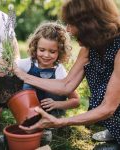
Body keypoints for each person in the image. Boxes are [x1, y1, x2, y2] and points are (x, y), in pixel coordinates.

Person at [12, 0, 120, 146]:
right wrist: (23, 76)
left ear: (89, 24)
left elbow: (108, 107)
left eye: (70, 24)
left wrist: (60, 121)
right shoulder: (89, 49)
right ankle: (114, 130)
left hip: (110, 111)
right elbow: (66, 85)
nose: (67, 30)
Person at [0, 21, 79, 120]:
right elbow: (3, 76)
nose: (46, 55)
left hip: (52, 114)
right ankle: (26, 118)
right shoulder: (26, 64)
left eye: (52, 51)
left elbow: (76, 100)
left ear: (60, 51)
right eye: (42, 50)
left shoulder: (59, 71)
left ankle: (49, 125)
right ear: (35, 47)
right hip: (29, 112)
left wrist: (57, 104)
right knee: (22, 84)